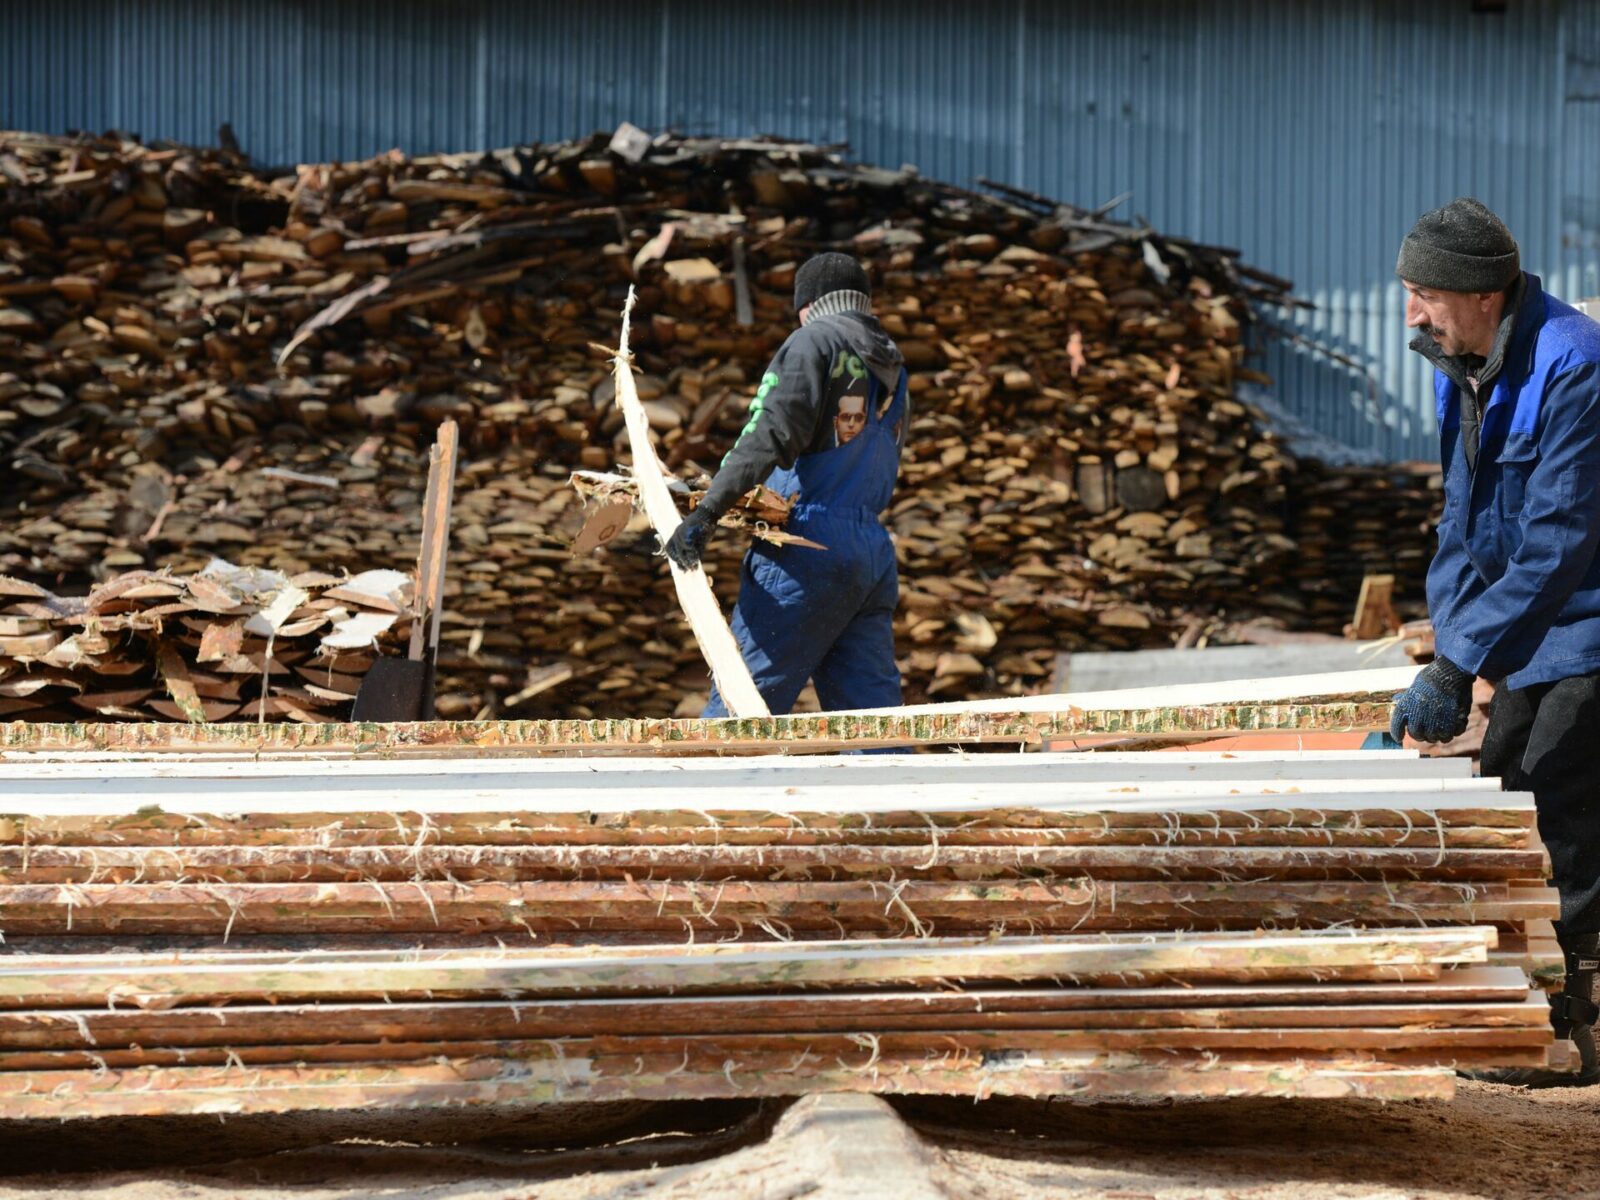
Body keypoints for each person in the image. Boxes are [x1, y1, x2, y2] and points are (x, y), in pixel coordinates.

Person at [1390, 197, 1600, 1087]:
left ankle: (1569, 1025)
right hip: (1532, 624)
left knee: (1560, 800)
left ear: (1484, 295)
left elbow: (1558, 537)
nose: (1412, 315)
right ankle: (1522, 1004)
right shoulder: (1463, 362)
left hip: (1589, 620)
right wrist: (1451, 649)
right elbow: (1461, 519)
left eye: (1427, 295)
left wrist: (1465, 659)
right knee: (1508, 788)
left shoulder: (1577, 365)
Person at [663, 252, 908, 716]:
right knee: (870, 719)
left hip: (807, 546)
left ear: (809, 304)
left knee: (744, 710)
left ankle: (721, 769)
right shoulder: (893, 366)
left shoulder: (813, 341)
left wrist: (708, 511)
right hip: (872, 554)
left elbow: (769, 431)